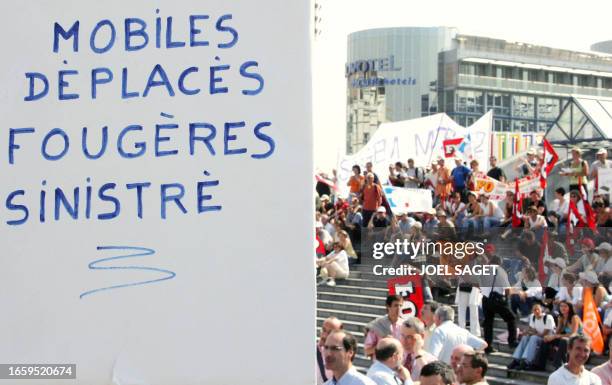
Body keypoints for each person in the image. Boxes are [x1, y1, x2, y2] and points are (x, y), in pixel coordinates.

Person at [480, 255, 517, 352]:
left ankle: (487, 347)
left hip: (485, 299)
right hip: (497, 299)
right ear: (499, 263)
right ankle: (512, 341)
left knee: (488, 323)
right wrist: (507, 300)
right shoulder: (500, 271)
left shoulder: (483, 270)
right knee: (511, 318)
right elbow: (507, 288)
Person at [508, 303, 555, 370]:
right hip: (538, 337)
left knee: (533, 338)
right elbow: (532, 329)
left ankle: (527, 361)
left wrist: (532, 333)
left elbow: (544, 334)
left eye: (537, 309)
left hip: (547, 339)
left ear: (541, 310)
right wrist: (526, 332)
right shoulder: (533, 317)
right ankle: (516, 360)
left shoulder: (548, 317)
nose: (536, 311)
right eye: (534, 310)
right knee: (525, 337)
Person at [541, 300, 583, 369]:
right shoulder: (561, 317)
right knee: (545, 340)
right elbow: (557, 332)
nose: (562, 308)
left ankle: (557, 365)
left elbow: (573, 334)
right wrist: (551, 336)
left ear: (570, 308)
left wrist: (556, 336)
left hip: (578, 340)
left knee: (564, 341)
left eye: (565, 306)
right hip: (567, 338)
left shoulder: (574, 317)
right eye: (561, 306)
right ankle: (540, 365)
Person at [400, 317, 437, 381]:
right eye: (402, 335)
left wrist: (417, 353)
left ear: (421, 336)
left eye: (409, 337)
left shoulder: (430, 360)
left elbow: (431, 379)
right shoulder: (395, 355)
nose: (404, 341)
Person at [318, 317, 343, 384]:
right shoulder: (310, 352)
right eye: (323, 330)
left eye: (330, 332)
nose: (324, 335)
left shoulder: (343, 356)